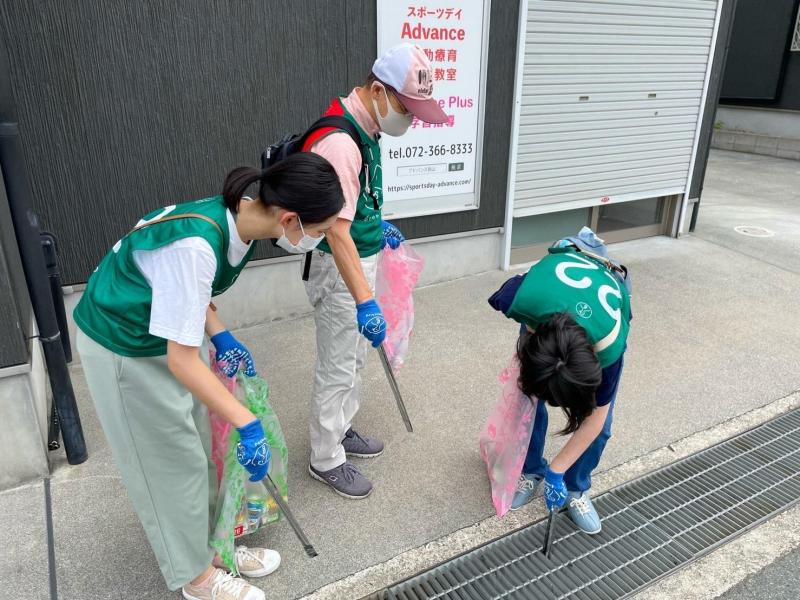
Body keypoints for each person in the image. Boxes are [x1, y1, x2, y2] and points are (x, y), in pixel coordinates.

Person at [74, 153, 344, 600]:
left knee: (202, 453)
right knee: (169, 466)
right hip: (122, 345)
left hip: (160, 334)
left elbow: (186, 295)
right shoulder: (199, 245)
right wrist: (247, 422)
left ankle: (214, 550)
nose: (318, 240)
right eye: (318, 232)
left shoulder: (237, 216)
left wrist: (221, 336)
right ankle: (196, 580)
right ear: (291, 219)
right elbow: (182, 359)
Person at [300, 42, 448, 498]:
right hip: (340, 270)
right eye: (407, 107)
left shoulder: (364, 130)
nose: (410, 119)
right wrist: (365, 299)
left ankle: (342, 428)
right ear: (379, 91)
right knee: (339, 366)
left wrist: (376, 224)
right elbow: (335, 232)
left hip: (356, 265)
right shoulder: (341, 143)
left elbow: (350, 206)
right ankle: (325, 457)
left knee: (356, 359)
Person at [488, 230, 631, 534]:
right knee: (526, 404)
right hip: (550, 298)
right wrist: (531, 340)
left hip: (603, 286)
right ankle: (531, 469)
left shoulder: (609, 347)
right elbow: (515, 305)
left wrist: (559, 469)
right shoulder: (521, 297)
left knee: (601, 427)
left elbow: (594, 420)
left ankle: (575, 487)